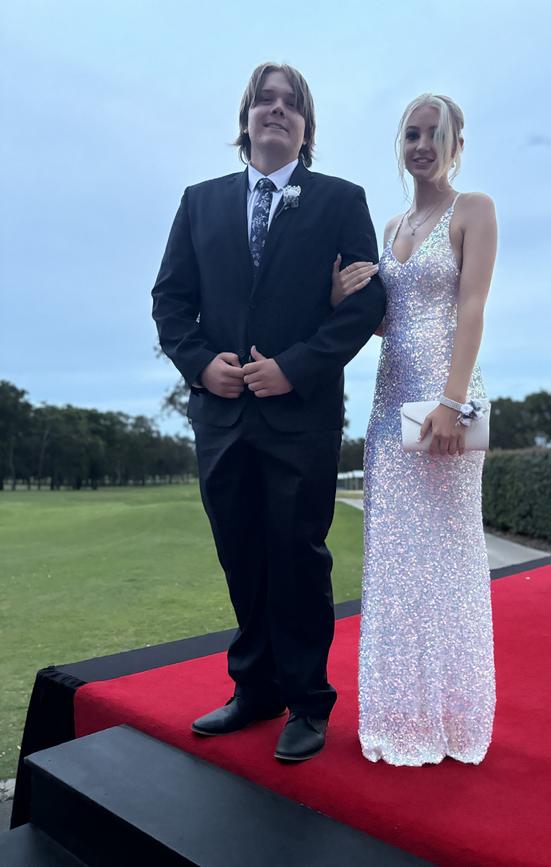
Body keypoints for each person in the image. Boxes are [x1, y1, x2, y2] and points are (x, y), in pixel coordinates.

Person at [152, 62, 385, 762]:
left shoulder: (342, 200)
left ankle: (308, 701)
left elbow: (369, 304)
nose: (276, 110)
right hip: (220, 421)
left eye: (291, 103)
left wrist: (295, 367)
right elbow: (170, 301)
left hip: (302, 418)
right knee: (242, 556)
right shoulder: (198, 202)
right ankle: (254, 690)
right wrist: (200, 364)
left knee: (297, 557)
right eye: (264, 100)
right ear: (246, 119)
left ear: (306, 127)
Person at [332, 94, 497, 765]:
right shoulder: (394, 223)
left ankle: (456, 719)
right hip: (387, 409)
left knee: (450, 561)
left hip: (448, 406)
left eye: (435, 133)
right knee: (398, 563)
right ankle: (404, 715)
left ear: (456, 143)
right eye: (412, 133)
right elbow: (385, 321)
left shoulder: (474, 209)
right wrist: (345, 294)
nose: (422, 143)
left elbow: (473, 305)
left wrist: (453, 402)